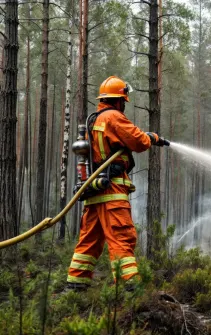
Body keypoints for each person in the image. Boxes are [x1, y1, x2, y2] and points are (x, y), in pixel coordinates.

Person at [65, 75, 168, 292]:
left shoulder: (94, 120)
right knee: (122, 238)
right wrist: (152, 137)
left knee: (89, 241)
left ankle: (75, 286)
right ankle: (130, 289)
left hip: (94, 191)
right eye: (124, 100)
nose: (124, 105)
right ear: (119, 100)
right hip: (112, 189)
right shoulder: (113, 117)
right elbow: (139, 142)